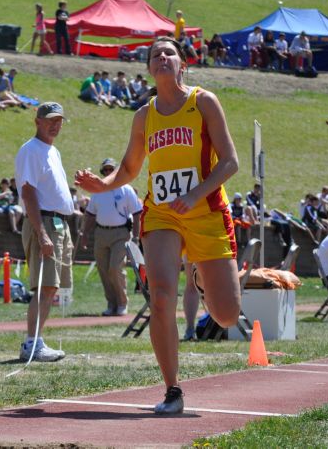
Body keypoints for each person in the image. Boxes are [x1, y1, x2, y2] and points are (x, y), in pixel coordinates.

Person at [75, 37, 241, 415]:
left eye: (169, 53)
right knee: (162, 295)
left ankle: (199, 274)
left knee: (227, 315)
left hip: (207, 210)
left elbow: (230, 162)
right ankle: (172, 390)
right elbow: (130, 169)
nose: (162, 58)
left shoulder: (203, 102)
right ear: (149, 68)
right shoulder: (143, 116)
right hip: (162, 213)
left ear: (183, 64)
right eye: (155, 55)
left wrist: (197, 193)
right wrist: (102, 184)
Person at [15, 102, 74, 362]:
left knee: (51, 287)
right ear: (37, 121)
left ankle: (37, 340)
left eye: (59, 120)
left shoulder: (53, 151)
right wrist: (42, 233)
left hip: (58, 223)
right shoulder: (31, 150)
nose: (56, 124)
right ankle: (32, 343)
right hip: (46, 222)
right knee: (44, 286)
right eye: (50, 119)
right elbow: (28, 193)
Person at [79, 158, 142, 317]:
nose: (108, 172)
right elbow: (90, 214)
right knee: (103, 271)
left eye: (111, 170)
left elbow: (137, 213)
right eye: (105, 170)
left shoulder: (126, 189)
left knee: (115, 268)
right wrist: (85, 234)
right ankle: (111, 304)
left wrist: (135, 237)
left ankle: (122, 303)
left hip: (121, 234)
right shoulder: (97, 192)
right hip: (101, 233)